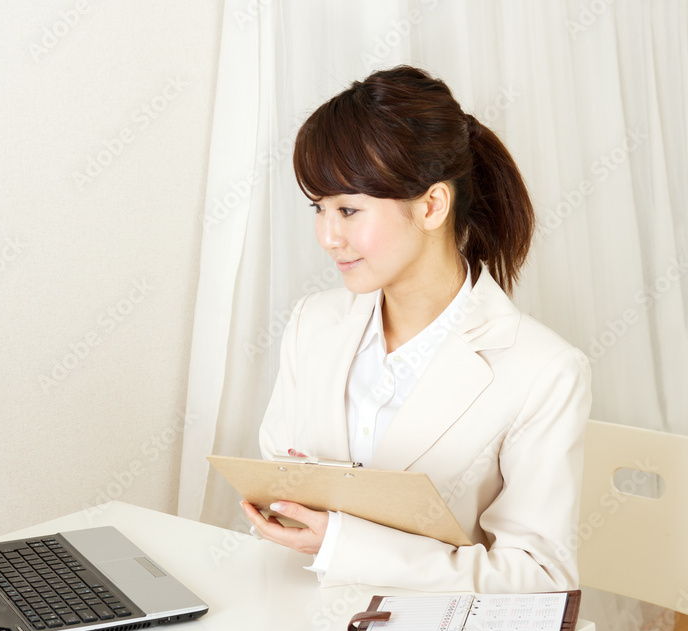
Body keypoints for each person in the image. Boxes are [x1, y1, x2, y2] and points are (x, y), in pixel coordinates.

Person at [241, 65, 591, 594]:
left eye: (348, 210)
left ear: (431, 205)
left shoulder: (545, 371)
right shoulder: (313, 323)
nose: (328, 236)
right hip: (300, 612)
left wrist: (343, 544)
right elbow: (280, 488)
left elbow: (540, 578)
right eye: (319, 208)